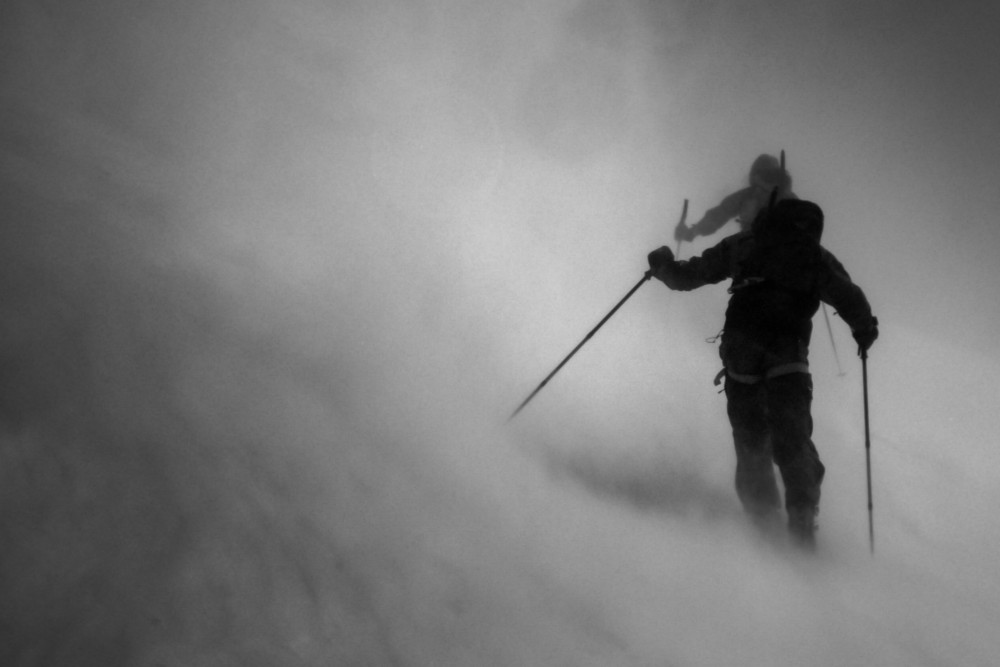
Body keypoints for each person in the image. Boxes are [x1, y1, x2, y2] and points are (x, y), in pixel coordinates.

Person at [647, 198, 878, 549]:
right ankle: (802, 514)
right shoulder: (815, 257)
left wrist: (664, 267)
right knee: (792, 437)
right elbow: (849, 296)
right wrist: (864, 330)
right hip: (788, 353)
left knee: (750, 436)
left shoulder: (745, 244)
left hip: (741, 349)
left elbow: (690, 275)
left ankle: (762, 520)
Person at [675, 154, 796, 244]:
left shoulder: (749, 195)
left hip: (754, 252)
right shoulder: (791, 198)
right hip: (790, 256)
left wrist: (692, 232)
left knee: (717, 259)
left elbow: (720, 214)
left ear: (755, 174)